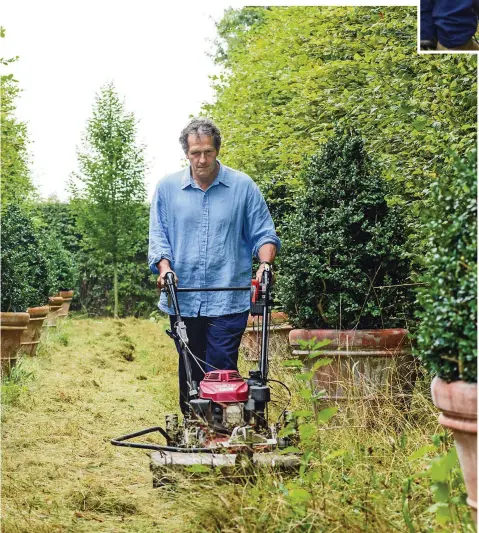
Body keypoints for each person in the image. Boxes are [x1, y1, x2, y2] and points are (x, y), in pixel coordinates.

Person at [148, 117, 280, 415]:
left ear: (217, 150)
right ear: (186, 153)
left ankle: (222, 431)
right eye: (196, 153)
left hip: (228, 298)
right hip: (184, 297)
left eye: (208, 151)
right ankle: (193, 427)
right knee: (190, 368)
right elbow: (158, 237)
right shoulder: (168, 189)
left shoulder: (242, 187)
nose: (202, 159)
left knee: (221, 368)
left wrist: (264, 265)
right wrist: (164, 268)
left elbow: (264, 233)